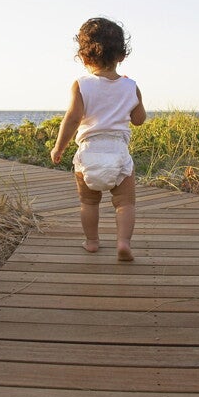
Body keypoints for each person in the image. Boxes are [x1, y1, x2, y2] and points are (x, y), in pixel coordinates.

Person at [51, 17, 146, 261]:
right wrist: (135, 100)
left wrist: (58, 147)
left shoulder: (81, 85)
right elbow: (138, 119)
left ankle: (92, 242)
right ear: (122, 55)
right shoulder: (130, 86)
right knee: (125, 204)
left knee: (89, 203)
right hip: (118, 152)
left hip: (89, 152)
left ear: (83, 57)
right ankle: (123, 242)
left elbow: (72, 119)